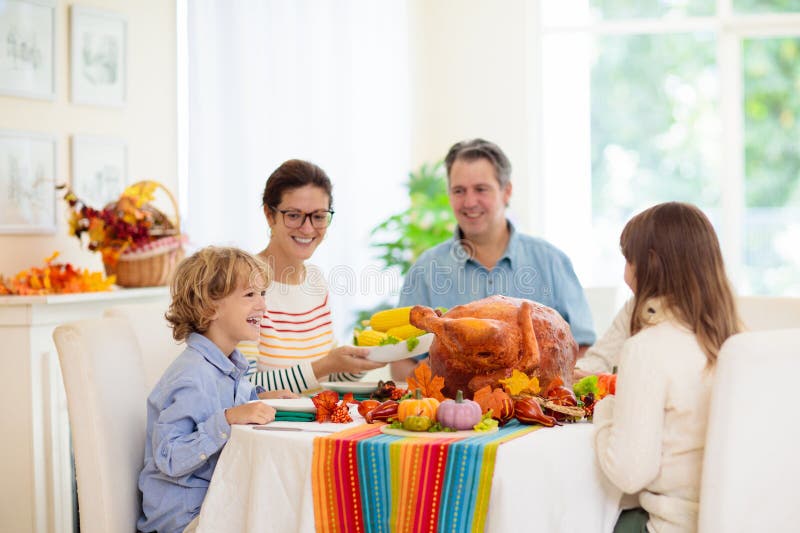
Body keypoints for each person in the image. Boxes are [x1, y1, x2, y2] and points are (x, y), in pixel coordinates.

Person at [592, 202, 742, 533]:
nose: (624, 274)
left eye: (628, 260)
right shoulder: (732, 342)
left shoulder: (647, 349)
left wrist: (605, 412)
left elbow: (629, 473)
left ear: (650, 264)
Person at [391, 138, 596, 380]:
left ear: (506, 191)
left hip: (539, 412)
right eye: (459, 191)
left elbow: (583, 348)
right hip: (451, 412)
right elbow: (399, 365)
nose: (469, 202)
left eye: (481, 189)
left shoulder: (551, 261)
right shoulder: (426, 269)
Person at [138, 247, 289, 533]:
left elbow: (223, 404)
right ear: (210, 307)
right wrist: (229, 419)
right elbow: (170, 456)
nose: (263, 305)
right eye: (249, 295)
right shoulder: (192, 375)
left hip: (215, 503)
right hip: (185, 520)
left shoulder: (227, 364)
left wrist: (260, 398)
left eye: (262, 294)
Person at [243, 159, 385, 393]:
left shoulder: (315, 281)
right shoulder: (242, 282)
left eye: (318, 216)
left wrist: (370, 356)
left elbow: (327, 377)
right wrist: (325, 365)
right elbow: (243, 386)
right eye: (294, 215)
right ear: (270, 215)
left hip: (315, 425)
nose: (308, 228)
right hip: (270, 427)